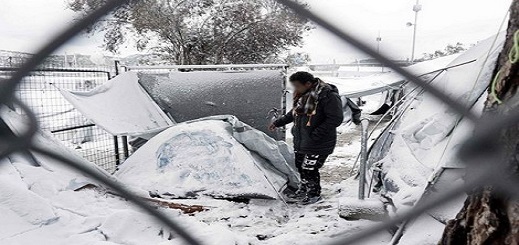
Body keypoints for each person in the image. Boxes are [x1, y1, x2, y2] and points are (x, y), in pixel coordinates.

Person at [269, 71, 361, 204]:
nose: (295, 89)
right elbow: (294, 113)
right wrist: (278, 123)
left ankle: (313, 193)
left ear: (308, 84)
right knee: (300, 166)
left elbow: (335, 118)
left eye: (297, 85)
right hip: (302, 140)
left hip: (318, 142)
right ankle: (304, 189)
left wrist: (316, 134)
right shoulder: (303, 96)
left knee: (310, 168)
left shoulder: (328, 96)